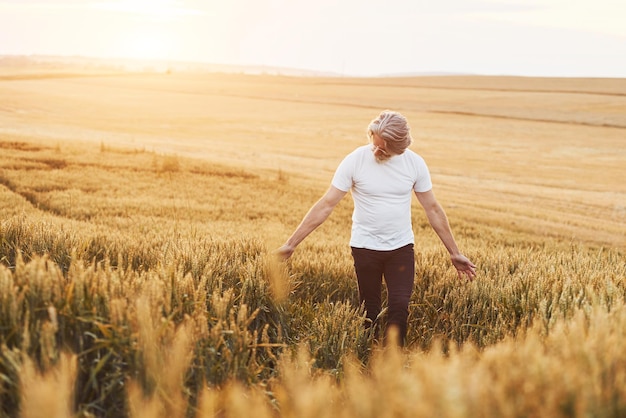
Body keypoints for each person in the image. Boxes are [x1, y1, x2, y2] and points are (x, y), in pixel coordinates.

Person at [277, 110, 476, 346]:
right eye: (374, 144)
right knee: (369, 312)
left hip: (401, 248)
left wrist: (454, 252)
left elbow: (432, 208)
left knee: (399, 308)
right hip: (364, 248)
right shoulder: (355, 160)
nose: (375, 151)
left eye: (383, 148)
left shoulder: (414, 163)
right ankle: (368, 360)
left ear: (399, 147)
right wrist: (291, 244)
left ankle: (392, 365)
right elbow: (326, 205)